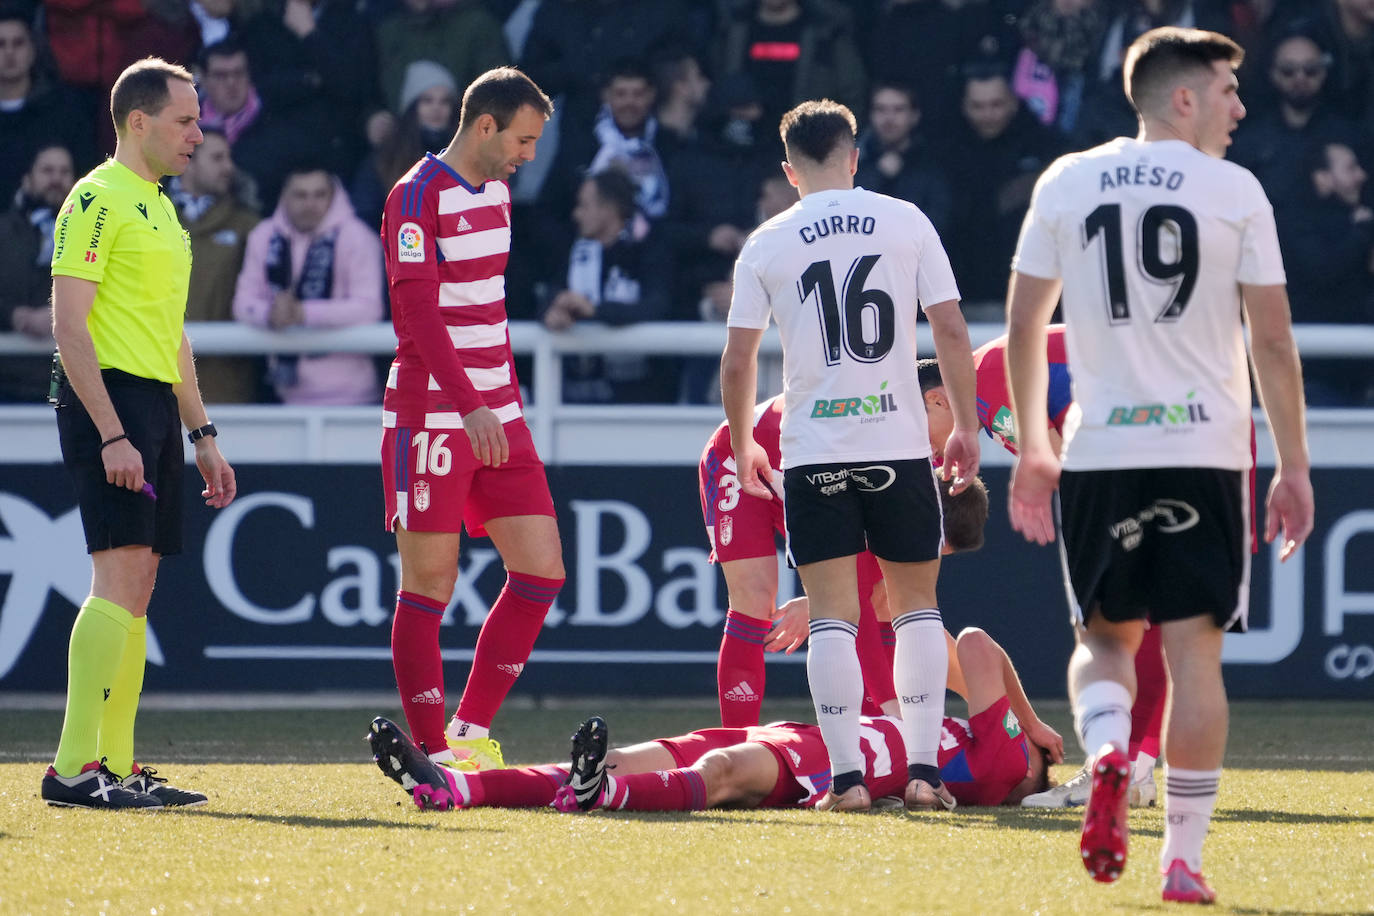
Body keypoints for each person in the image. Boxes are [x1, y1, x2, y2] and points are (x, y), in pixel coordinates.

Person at [1005, 27, 1314, 903]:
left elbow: (1026, 325)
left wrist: (1034, 446)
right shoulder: (1234, 190)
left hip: (1103, 447)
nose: (1240, 107)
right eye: (1227, 90)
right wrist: (1294, 466)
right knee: (1195, 660)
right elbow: (1275, 341)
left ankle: (1105, 756)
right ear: (1183, 98)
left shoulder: (1067, 181)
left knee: (1103, 641)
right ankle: (1182, 860)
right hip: (1206, 449)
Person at [719, 99, 982, 813]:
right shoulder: (906, 220)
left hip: (814, 451)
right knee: (916, 608)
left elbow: (739, 360)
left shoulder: (769, 241)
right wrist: (966, 424)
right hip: (897, 445)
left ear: (789, 171)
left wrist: (743, 440)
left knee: (833, 616)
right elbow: (951, 330)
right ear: (855, 156)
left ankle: (846, 783)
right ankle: (925, 774)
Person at [42, 57, 236, 810]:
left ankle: (116, 767)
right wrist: (112, 432)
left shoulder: (160, 207)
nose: (198, 134)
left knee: (139, 589)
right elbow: (68, 326)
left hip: (153, 402)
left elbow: (173, 336)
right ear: (137, 122)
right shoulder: (96, 198)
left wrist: (204, 436)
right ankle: (72, 770)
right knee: (117, 579)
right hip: (110, 403)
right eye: (186, 121)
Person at [367, 626, 1065, 813]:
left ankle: (602, 796)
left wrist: (1032, 726)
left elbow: (975, 645)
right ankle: (454, 789)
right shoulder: (971, 747)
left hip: (824, 762)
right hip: (810, 735)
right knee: (627, 758)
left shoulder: (1004, 765)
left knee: (721, 774)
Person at [380, 67, 561, 774]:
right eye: (522, 138)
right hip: (434, 414)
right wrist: (470, 404)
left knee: (541, 573)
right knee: (429, 584)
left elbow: (487, 309)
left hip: (496, 411)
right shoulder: (416, 193)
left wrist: (499, 402)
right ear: (484, 125)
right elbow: (417, 315)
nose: (528, 153)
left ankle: (468, 730)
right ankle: (428, 750)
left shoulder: (498, 192)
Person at [919, 328, 1164, 809]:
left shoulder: (985, 387)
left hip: (1149, 449)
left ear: (936, 401)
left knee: (1108, 623)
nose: (924, 455)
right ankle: (1136, 768)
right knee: (1158, 619)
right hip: (1199, 435)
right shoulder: (989, 376)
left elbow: (1067, 460)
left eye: (911, 430)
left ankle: (1123, 767)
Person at [699, 391, 990, 727]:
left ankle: (879, 736)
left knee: (891, 592)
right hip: (747, 453)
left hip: (813, 468)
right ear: (937, 400)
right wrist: (892, 702)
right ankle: (736, 746)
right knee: (755, 597)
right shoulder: (892, 470)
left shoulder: (925, 469)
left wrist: (997, 706)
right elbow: (857, 600)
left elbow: (906, 611)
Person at [232, 163, 384, 406]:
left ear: (333, 196)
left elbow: (369, 308)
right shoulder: (263, 235)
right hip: (280, 394)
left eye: (319, 195)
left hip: (353, 397)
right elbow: (243, 302)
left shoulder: (358, 237)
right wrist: (270, 314)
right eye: (300, 195)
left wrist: (303, 313)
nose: (310, 204)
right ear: (284, 196)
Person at [539, 167, 674, 404]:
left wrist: (596, 312)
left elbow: (658, 305)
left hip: (639, 397)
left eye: (584, 206)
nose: (576, 214)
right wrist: (552, 312)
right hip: (578, 395)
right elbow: (549, 295)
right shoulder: (575, 250)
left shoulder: (649, 250)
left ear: (608, 210)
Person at [168, 126, 262, 404]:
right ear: (188, 160)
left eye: (229, 158)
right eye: (217, 158)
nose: (229, 168)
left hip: (227, 384)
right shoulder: (146, 218)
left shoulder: (248, 225)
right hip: (158, 381)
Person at [1277, 140, 1374, 406]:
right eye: (1350, 168)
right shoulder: (1297, 225)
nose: (1361, 176)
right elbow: (1322, 270)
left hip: (1361, 376)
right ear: (1323, 178)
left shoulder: (1358, 220)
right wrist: (1361, 234)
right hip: (1317, 378)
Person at [0, 142, 73, 403]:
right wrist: (13, 315)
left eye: (64, 172)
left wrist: (58, 314)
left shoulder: (92, 235)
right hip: (7, 382)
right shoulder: (4, 233)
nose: (56, 179)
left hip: (69, 384)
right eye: (47, 170)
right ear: (27, 178)